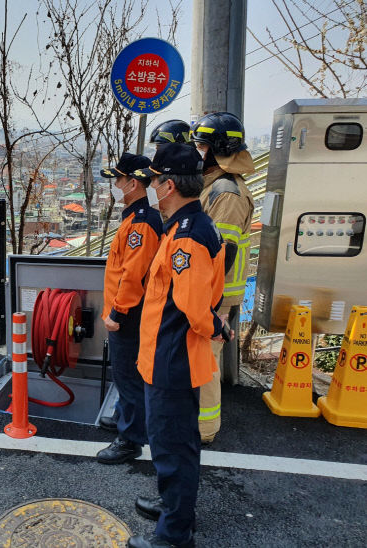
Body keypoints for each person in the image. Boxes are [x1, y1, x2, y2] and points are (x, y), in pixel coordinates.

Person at [127, 144, 229, 548]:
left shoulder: (187, 236)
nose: (150, 186)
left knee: (173, 445)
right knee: (172, 440)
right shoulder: (189, 225)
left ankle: (173, 534)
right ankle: (173, 506)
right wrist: (215, 323)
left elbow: (192, 306)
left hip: (174, 356)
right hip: (166, 353)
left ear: (168, 185)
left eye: (154, 180)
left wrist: (215, 327)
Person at [191, 112, 255, 444]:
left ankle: (203, 430)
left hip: (216, 296)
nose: (196, 151)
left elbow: (222, 253)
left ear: (217, 149)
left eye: (200, 145)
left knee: (205, 364)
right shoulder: (215, 186)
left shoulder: (226, 192)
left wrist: (208, 302)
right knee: (199, 360)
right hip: (211, 294)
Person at [96, 153, 163, 464]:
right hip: (128, 311)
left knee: (129, 376)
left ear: (132, 183)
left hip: (130, 315)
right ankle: (125, 417)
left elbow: (133, 275)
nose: (114, 186)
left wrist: (118, 313)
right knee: (124, 375)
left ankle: (130, 439)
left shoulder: (142, 223)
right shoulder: (135, 217)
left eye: (117, 180)